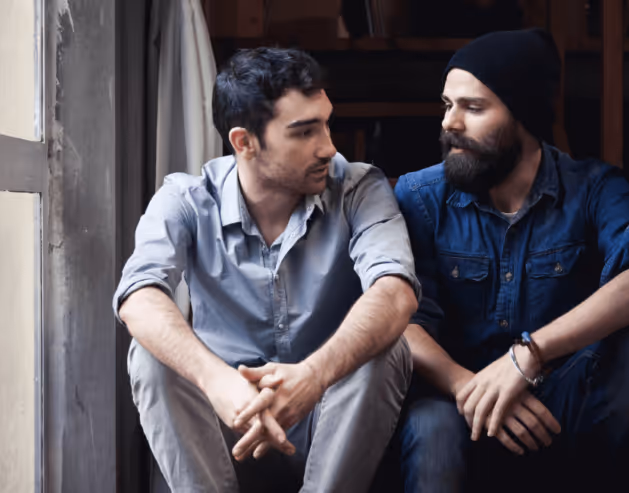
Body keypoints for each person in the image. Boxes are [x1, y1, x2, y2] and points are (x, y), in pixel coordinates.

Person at [382, 28, 629, 493]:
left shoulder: (592, 187)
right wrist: (469, 387)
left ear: (524, 117)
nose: (449, 124)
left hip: (559, 398)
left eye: (473, 108)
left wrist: (529, 356)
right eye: (448, 104)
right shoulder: (420, 197)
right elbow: (399, 318)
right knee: (431, 428)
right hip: (456, 399)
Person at [114, 47, 419, 493]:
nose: (329, 147)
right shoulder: (186, 199)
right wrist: (218, 382)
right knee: (149, 356)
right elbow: (137, 296)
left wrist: (312, 377)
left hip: (329, 430)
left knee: (389, 348)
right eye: (304, 132)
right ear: (244, 142)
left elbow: (396, 293)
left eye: (326, 123)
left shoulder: (359, 187)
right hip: (226, 429)